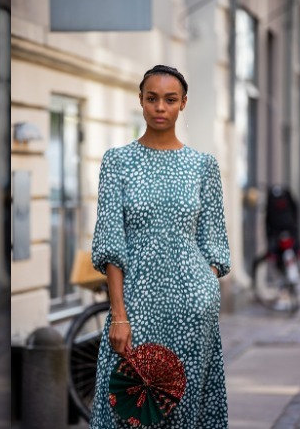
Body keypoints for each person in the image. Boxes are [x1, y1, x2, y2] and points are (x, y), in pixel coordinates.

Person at [90, 65, 231, 428]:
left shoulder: (203, 166)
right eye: (152, 98)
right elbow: (110, 242)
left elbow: (214, 242)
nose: (160, 107)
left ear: (183, 103)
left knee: (183, 408)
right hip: (135, 305)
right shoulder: (117, 161)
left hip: (191, 308)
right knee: (129, 406)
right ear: (140, 100)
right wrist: (119, 314)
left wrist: (205, 292)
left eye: (170, 100)